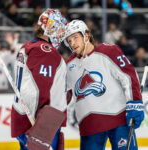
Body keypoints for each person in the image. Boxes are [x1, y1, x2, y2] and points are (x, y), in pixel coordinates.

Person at [64, 20, 144, 150]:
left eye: (75, 38)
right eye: (69, 40)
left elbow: (128, 76)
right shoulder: (68, 66)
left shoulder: (109, 51)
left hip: (119, 119)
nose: (72, 43)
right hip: (90, 125)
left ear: (86, 35)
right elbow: (63, 94)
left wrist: (135, 103)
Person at [11, 9, 67, 150]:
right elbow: (40, 90)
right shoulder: (45, 51)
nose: (62, 34)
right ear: (51, 27)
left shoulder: (29, 46)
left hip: (23, 117)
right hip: (40, 123)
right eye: (59, 28)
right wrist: (40, 128)